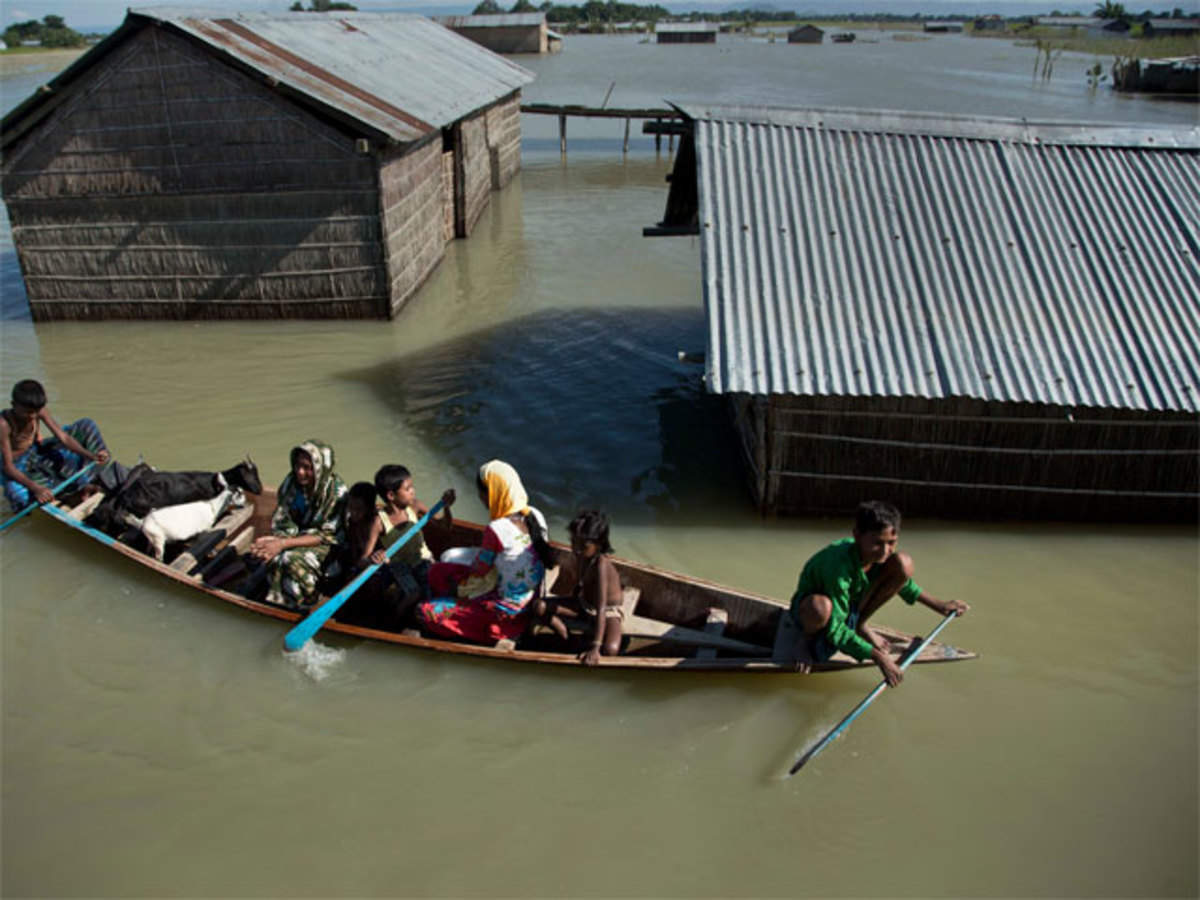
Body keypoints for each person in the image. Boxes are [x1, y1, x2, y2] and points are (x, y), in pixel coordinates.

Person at [789, 500, 969, 686]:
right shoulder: (837, 566)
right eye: (877, 543)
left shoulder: (877, 555)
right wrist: (878, 657)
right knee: (820, 608)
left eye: (891, 542)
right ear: (857, 536)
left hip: (851, 604)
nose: (885, 551)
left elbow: (903, 583)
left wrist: (939, 605)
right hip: (812, 612)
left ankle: (860, 624)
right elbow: (835, 628)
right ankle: (804, 639)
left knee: (902, 563)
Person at [415, 459, 552, 645]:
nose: (480, 498)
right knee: (438, 572)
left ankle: (485, 632)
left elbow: (479, 571)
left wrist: (458, 586)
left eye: (481, 493)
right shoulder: (535, 514)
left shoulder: (496, 529)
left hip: (505, 615)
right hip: (528, 600)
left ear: (493, 493)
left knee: (424, 611)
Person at [250, 440, 348, 609]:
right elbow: (283, 519)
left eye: (307, 468)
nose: (299, 472)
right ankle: (283, 598)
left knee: (287, 558)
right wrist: (272, 540)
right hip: (296, 537)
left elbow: (326, 535)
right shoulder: (291, 483)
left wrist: (282, 544)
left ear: (320, 468)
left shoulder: (336, 493)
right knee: (267, 553)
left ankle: (309, 598)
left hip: (328, 547)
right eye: (297, 466)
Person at [1, 379, 110, 511]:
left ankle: (90, 476)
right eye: (28, 412)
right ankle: (66, 491)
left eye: (35, 412)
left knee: (86, 425)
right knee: (16, 493)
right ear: (13, 405)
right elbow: (8, 467)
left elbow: (63, 437)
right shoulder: (4, 425)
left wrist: (91, 455)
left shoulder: (39, 410)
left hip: (36, 451)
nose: (32, 416)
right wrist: (36, 488)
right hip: (17, 464)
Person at [535, 510, 623, 665]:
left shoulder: (601, 564)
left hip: (607, 612)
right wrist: (573, 599)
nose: (576, 549)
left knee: (611, 650)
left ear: (598, 545)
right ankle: (566, 637)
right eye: (574, 542)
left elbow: (602, 607)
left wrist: (596, 647)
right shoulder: (581, 555)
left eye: (583, 545)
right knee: (539, 606)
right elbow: (580, 583)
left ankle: (588, 642)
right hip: (584, 605)